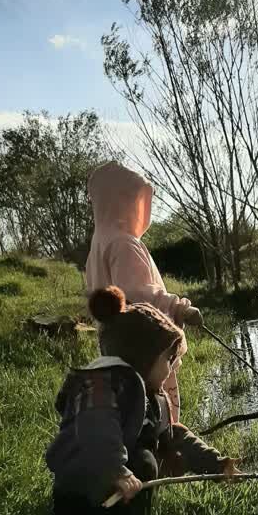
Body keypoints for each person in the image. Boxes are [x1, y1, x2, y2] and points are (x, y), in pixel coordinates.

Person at [45, 286, 240, 515]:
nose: (173, 368)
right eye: (168, 360)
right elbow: (95, 428)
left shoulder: (147, 397)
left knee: (152, 453)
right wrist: (117, 470)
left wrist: (217, 464)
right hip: (78, 495)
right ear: (142, 357)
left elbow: (174, 436)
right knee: (144, 461)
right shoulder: (100, 384)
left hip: (105, 493)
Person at [86, 160, 200, 422]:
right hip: (149, 350)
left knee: (134, 416)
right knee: (162, 413)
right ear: (120, 201)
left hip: (118, 350)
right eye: (132, 199)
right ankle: (168, 455)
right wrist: (180, 307)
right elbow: (139, 295)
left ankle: (144, 457)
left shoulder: (99, 242)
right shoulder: (123, 243)